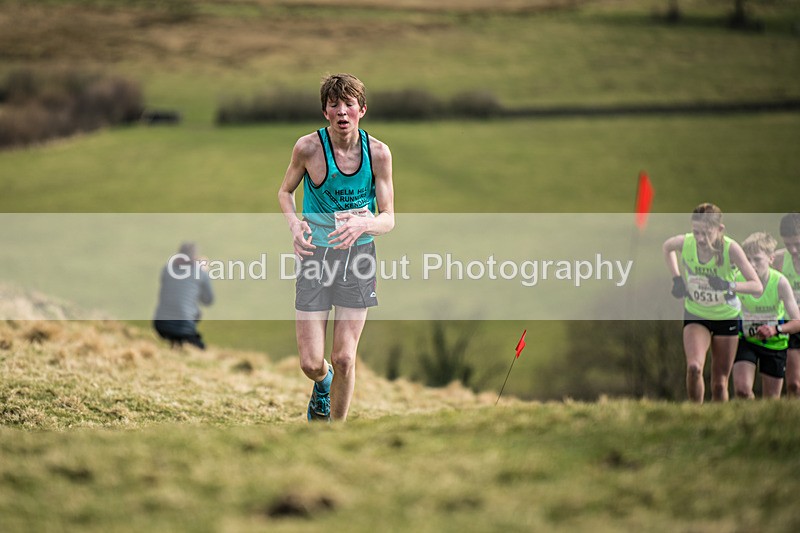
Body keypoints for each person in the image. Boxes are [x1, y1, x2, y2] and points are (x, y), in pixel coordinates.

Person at [277, 73, 395, 422]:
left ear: (362, 110)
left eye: (349, 104)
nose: (342, 111)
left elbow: (389, 217)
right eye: (334, 104)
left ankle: (335, 432)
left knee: (345, 357)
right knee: (312, 363)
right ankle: (323, 383)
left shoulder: (378, 154)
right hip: (314, 257)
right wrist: (295, 225)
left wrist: (366, 223)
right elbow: (285, 192)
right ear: (325, 111)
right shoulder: (308, 148)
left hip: (358, 258)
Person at [662, 203, 762, 403]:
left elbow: (756, 286)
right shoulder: (686, 243)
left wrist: (728, 285)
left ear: (720, 229)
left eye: (706, 233)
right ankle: (695, 416)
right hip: (696, 314)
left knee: (719, 383)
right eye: (696, 232)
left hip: (726, 317)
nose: (700, 238)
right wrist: (676, 278)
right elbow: (667, 247)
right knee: (694, 368)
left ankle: (716, 423)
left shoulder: (731, 249)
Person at [732, 232, 800, 399]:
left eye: (757, 259)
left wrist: (775, 329)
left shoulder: (780, 283)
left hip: (775, 344)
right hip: (747, 341)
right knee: (742, 391)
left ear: (770, 259)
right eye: (747, 259)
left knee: (771, 400)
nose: (752, 265)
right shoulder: (738, 279)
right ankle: (747, 420)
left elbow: (797, 321)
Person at [153, 242, 214, 349]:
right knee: (201, 347)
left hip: (160, 324)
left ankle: (175, 345)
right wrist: (203, 271)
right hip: (183, 327)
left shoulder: (167, 269)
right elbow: (208, 300)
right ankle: (180, 343)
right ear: (195, 256)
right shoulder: (200, 273)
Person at [773, 213, 800, 397]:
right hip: (792, 326)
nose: (793, 250)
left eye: (797, 244)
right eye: (787, 244)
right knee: (794, 385)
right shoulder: (779, 260)